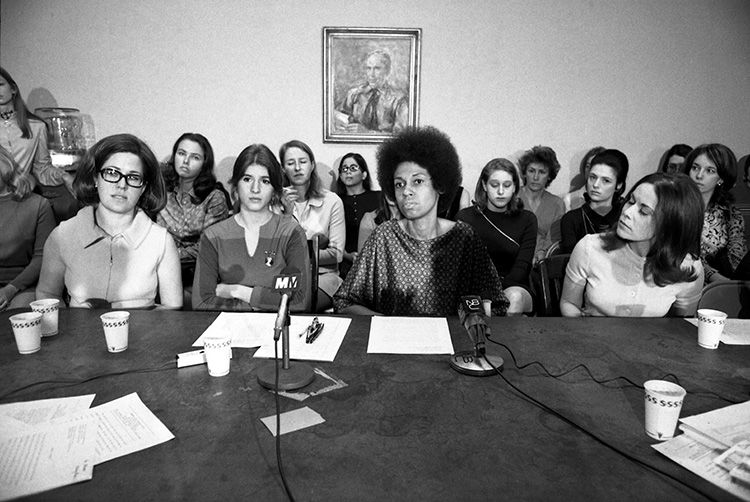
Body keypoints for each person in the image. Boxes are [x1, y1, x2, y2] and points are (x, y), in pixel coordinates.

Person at [334, 126, 509, 316]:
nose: (406, 191)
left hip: (451, 342)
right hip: (394, 342)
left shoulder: (464, 238)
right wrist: (387, 323)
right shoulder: (384, 237)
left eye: (417, 181)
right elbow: (345, 301)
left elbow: (496, 302)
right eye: (399, 184)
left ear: (440, 185)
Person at [36, 134, 182, 309]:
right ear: (95, 178)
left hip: (142, 334)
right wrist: (71, 323)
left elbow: (172, 309)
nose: (122, 185)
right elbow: (47, 294)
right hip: (80, 333)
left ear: (143, 188)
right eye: (112, 173)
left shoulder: (161, 240)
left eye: (134, 177)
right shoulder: (62, 235)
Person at [560, 173, 704, 317]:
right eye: (630, 201)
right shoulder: (591, 247)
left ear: (671, 225)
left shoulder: (688, 266)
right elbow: (569, 303)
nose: (627, 212)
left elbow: (679, 325)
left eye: (644, 211)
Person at [193, 144, 309, 311]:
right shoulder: (213, 236)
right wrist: (257, 304)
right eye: (247, 179)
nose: (255, 189)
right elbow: (201, 302)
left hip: (276, 331)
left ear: (275, 190)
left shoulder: (290, 232)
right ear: (235, 186)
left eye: (265, 181)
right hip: (227, 331)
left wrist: (239, 292)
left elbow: (300, 301)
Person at [456, 158, 537, 314]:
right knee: (474, 304)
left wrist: (495, 295)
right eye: (494, 185)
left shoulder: (527, 219)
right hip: (475, 288)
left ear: (514, 188)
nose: (501, 191)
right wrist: (485, 296)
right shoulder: (465, 218)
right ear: (485, 186)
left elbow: (523, 266)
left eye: (507, 185)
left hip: (515, 286)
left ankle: (504, 338)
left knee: (513, 298)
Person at [0, 67, 78, 221]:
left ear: (13, 88)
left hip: (20, 196)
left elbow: (41, 168)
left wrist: (64, 176)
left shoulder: (36, 126)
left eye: (0, 84)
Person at [157, 133, 230, 286]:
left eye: (195, 157)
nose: (185, 161)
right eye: (181, 153)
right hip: (159, 269)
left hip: (197, 271)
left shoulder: (214, 197)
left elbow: (209, 246)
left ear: (204, 164)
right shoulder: (161, 191)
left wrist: (170, 255)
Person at [279, 140, 344, 311]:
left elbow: (336, 254)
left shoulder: (332, 201)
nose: (297, 168)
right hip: (287, 276)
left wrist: (297, 253)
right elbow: (274, 252)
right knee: (269, 304)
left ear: (312, 165)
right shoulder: (275, 203)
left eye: (303, 162)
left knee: (296, 305)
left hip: (323, 276)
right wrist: (286, 214)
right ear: (283, 169)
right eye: (290, 163)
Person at [682, 143, 748, 282]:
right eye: (695, 168)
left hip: (721, 286)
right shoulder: (676, 206)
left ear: (721, 178)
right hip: (681, 280)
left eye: (710, 170)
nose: (699, 175)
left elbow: (738, 256)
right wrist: (713, 276)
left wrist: (732, 284)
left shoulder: (731, 214)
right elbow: (680, 252)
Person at [0, 147, 55, 310]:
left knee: (19, 320)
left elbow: (43, 257)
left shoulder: (37, 205)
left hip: (24, 286)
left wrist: (10, 289)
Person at [560, 149, 629, 254]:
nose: (595, 185)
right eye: (593, 177)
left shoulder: (625, 218)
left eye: (606, 180)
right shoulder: (571, 219)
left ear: (618, 184)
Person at [335, 49, 409, 134]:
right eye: (369, 68)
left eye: (377, 69)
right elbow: (340, 120)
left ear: (387, 71)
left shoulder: (399, 100)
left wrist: (367, 133)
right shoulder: (354, 94)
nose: (371, 74)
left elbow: (401, 136)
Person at [335, 152, 380, 278]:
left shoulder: (378, 197)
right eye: (344, 169)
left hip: (376, 261)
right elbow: (330, 236)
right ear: (340, 175)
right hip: (344, 261)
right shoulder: (335, 201)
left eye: (353, 168)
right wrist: (347, 255)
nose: (348, 172)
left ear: (364, 174)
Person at [518, 145, 565, 261]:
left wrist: (541, 253)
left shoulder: (557, 203)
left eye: (542, 172)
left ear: (549, 176)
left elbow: (554, 239)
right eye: (531, 171)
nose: (535, 177)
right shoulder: (512, 196)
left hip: (542, 262)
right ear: (524, 173)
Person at [563, 146, 605, 212]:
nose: (591, 171)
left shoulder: (612, 199)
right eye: (588, 166)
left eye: (596, 166)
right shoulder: (569, 199)